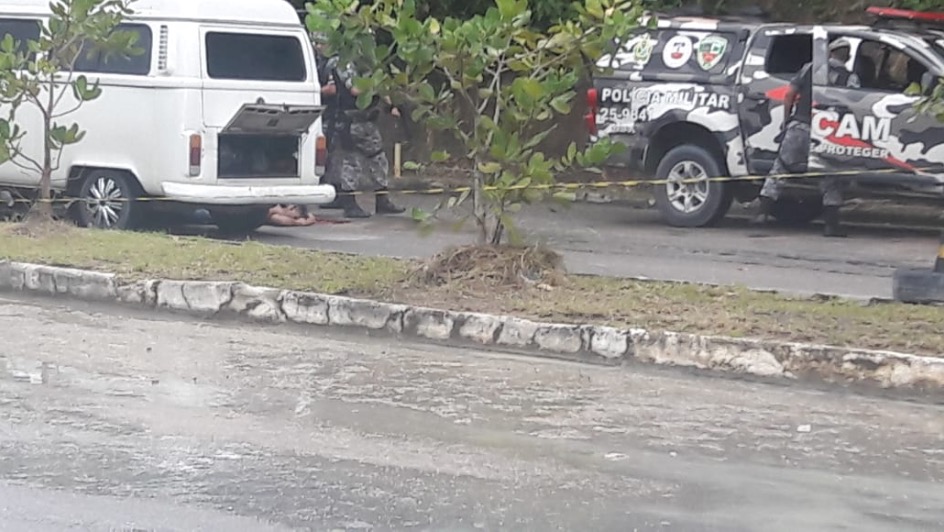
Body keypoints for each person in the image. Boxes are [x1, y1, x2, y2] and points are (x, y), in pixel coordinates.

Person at [753, 39, 860, 238]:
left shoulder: (809, 68)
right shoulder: (850, 77)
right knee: (830, 176)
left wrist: (788, 121)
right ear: (848, 56)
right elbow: (854, 105)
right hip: (827, 132)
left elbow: (789, 95)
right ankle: (831, 226)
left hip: (800, 126)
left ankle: (762, 213)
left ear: (830, 53)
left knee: (780, 168)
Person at [326, 58, 405, 219]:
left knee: (378, 159)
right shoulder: (344, 62)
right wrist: (375, 82)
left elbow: (381, 87)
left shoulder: (368, 61)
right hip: (351, 121)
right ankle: (349, 203)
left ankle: (381, 200)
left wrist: (390, 105)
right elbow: (355, 89)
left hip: (366, 122)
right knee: (351, 162)